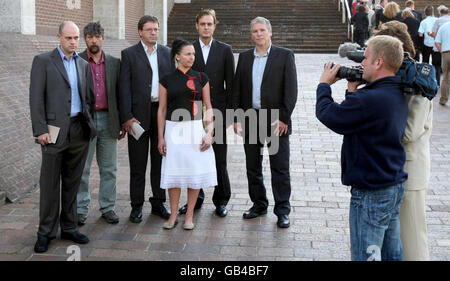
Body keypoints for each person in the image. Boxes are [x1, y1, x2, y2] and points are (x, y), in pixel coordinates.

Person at [316, 35, 408, 261]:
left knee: (365, 256)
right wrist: (352, 91)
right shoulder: (396, 90)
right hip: (391, 184)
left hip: (371, 192)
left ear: (378, 62)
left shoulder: (371, 98)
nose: (361, 63)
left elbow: (330, 116)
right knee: (390, 255)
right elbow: (359, 120)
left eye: (366, 58)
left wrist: (323, 85)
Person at [30, 21, 96, 253]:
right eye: (69, 37)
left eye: (76, 38)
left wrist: (90, 125)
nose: (73, 42)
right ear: (59, 37)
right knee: (49, 184)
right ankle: (45, 232)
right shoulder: (43, 61)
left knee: (72, 182)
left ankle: (69, 227)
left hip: (79, 130)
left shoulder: (83, 64)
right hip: (53, 132)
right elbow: (36, 99)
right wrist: (40, 130)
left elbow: (89, 99)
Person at [374, 21, 433, 261]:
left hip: (410, 171)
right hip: (392, 171)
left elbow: (409, 132)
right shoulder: (397, 81)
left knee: (412, 238)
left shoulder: (419, 82)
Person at [232, 17, 298, 228]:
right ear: (251, 35)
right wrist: (236, 118)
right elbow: (238, 89)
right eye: (254, 31)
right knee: (253, 166)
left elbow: (291, 91)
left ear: (270, 32)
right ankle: (259, 204)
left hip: (275, 121)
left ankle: (282, 210)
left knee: (279, 167)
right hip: (250, 119)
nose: (258, 34)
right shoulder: (243, 58)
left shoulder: (284, 56)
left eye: (262, 30)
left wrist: (284, 118)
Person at [178, 9, 235, 217]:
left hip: (218, 113)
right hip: (192, 114)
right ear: (196, 25)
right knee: (194, 157)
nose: (206, 27)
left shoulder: (225, 50)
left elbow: (232, 85)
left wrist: (230, 115)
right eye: (202, 24)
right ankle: (196, 199)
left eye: (209, 24)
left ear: (214, 25)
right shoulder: (188, 49)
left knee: (219, 158)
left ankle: (221, 200)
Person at [119, 15, 174, 223]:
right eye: (149, 29)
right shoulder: (129, 54)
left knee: (160, 162)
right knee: (138, 164)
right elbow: (123, 88)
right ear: (140, 32)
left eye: (156, 29)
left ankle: (159, 203)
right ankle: (136, 207)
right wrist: (127, 117)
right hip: (138, 118)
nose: (154, 33)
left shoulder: (168, 54)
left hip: (161, 114)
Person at [157, 39, 217, 230]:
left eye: (193, 54)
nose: (192, 57)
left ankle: (189, 216)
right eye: (187, 54)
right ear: (177, 56)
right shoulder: (166, 79)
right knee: (174, 173)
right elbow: (162, 109)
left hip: (195, 129)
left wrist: (210, 132)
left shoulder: (201, 77)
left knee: (194, 173)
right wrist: (161, 137)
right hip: (173, 130)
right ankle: (173, 215)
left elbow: (208, 106)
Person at [77, 22, 124, 226]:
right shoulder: (76, 60)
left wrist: (122, 121)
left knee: (109, 168)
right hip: (84, 121)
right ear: (85, 39)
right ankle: (80, 209)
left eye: (97, 36)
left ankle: (107, 207)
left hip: (108, 119)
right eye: (89, 37)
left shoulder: (115, 63)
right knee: (82, 168)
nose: (93, 40)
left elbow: (121, 94)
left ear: (103, 38)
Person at [429, 6, 450, 86]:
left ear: (440, 13)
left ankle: (437, 83)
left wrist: (429, 34)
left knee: (437, 66)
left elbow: (434, 34)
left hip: (439, 48)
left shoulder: (438, 21)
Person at [435, 21, 450, 106]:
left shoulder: (444, 26)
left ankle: (443, 99)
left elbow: (437, 42)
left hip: (446, 53)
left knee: (445, 78)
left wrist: (442, 51)